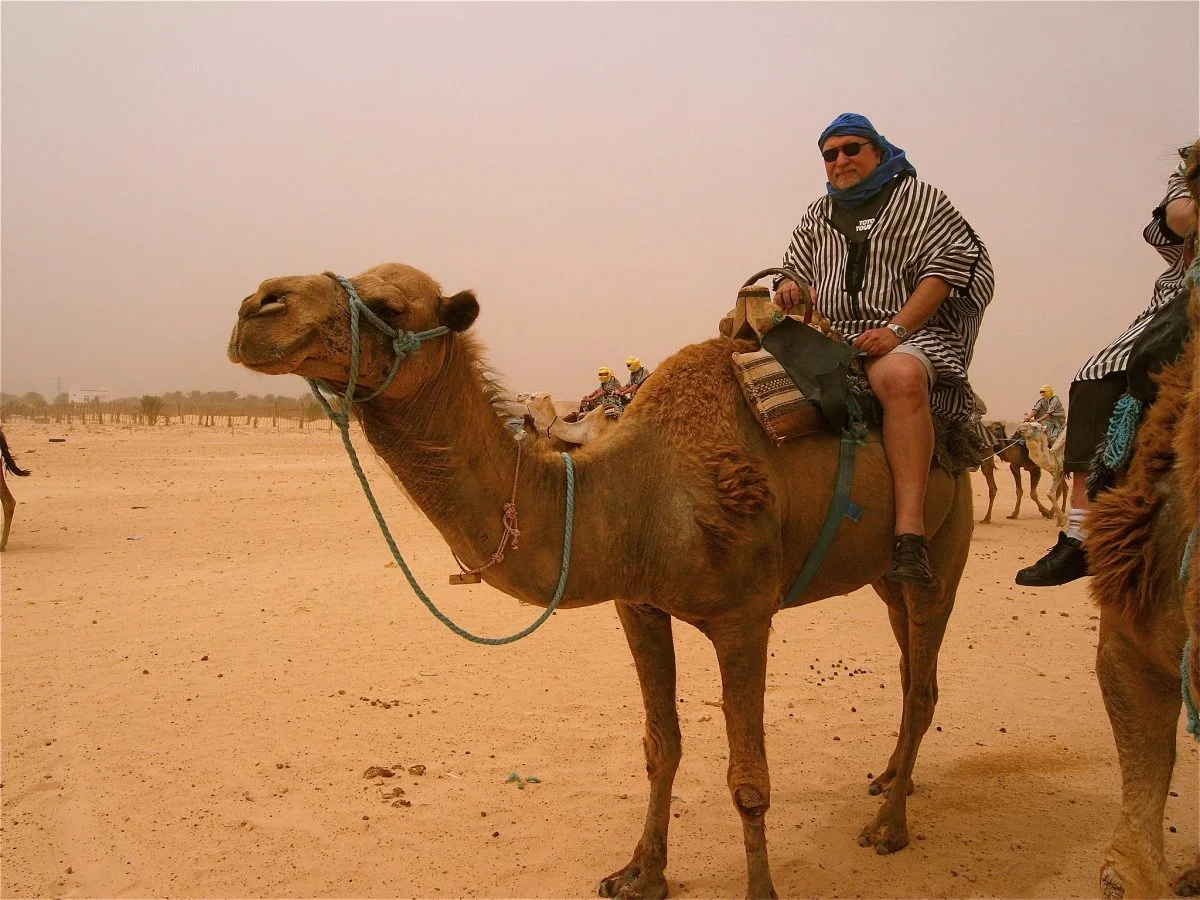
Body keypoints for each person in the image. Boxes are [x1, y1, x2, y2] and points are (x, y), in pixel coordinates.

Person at [774, 112, 994, 585]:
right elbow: (797, 266)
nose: (840, 160)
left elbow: (949, 268)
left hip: (910, 332)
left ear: (878, 150)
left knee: (900, 378)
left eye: (851, 148)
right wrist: (792, 284)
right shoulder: (817, 214)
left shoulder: (921, 200)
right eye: (830, 154)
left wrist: (896, 330)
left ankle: (909, 534)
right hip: (834, 337)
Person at [1016, 148, 1196, 587]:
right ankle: (1081, 528)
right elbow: (1180, 217)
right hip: (1186, 292)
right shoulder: (1189, 167)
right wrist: (1036, 418)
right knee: (1088, 383)